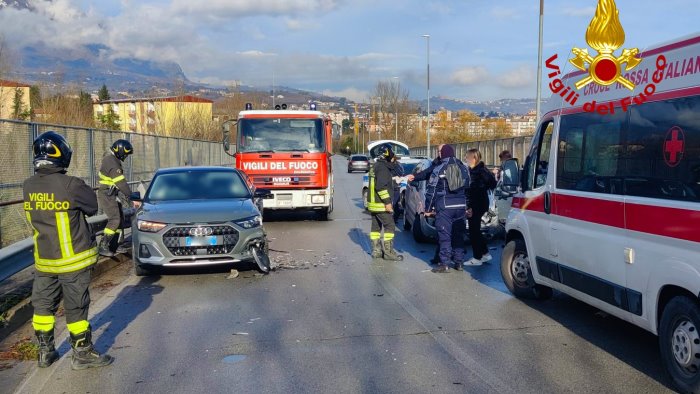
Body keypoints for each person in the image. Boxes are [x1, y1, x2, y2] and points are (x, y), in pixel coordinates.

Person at [24, 131, 113, 370]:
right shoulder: (72, 185)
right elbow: (92, 208)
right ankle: (81, 353)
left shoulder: (28, 186)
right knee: (76, 307)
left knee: (43, 306)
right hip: (73, 260)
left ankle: (45, 352)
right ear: (61, 154)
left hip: (44, 261)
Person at [408, 144, 470, 273]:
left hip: (445, 206)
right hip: (461, 206)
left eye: (440, 152)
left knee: (445, 236)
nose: (439, 154)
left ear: (444, 153)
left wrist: (428, 208)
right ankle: (459, 262)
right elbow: (469, 188)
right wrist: (468, 206)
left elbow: (432, 190)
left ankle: (444, 264)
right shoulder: (463, 167)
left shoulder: (440, 168)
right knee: (458, 235)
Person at [97, 139, 134, 257]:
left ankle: (115, 244)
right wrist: (131, 195)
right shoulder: (111, 161)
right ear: (120, 151)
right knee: (115, 219)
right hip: (107, 193)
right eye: (125, 154)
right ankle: (103, 245)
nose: (126, 156)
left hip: (111, 193)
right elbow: (121, 182)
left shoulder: (112, 159)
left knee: (120, 219)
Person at [367, 144, 403, 261]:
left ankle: (376, 251)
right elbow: (381, 187)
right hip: (380, 204)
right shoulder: (382, 168)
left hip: (373, 203)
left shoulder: (376, 165)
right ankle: (388, 252)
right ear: (387, 154)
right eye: (391, 151)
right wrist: (387, 203)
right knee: (390, 226)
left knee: (376, 228)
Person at [464, 148, 497, 266]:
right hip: (481, 203)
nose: (466, 159)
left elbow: (474, 192)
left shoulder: (477, 173)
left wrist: (470, 207)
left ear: (474, 158)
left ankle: (477, 257)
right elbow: (492, 183)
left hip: (476, 204)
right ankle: (485, 253)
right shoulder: (482, 170)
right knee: (475, 231)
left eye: (467, 157)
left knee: (473, 231)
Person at [388, 155, 404, 223]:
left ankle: (395, 218)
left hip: (395, 186)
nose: (391, 159)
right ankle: (390, 218)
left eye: (392, 158)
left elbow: (401, 173)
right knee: (389, 203)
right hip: (389, 186)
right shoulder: (386, 165)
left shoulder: (397, 165)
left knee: (395, 203)